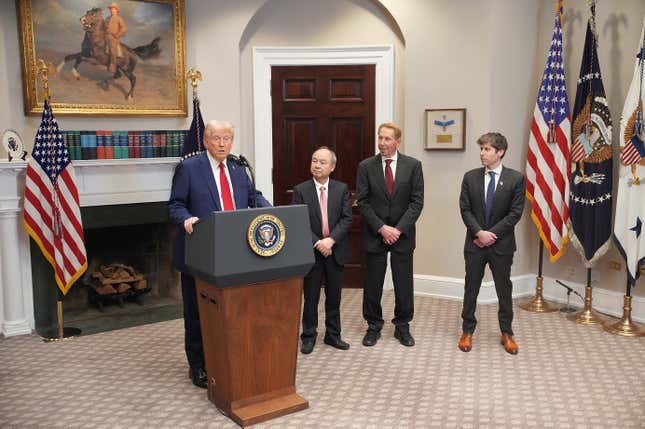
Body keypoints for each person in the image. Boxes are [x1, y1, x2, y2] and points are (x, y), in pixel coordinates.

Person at [168, 120, 271, 387]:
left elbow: (252, 196)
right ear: (205, 141)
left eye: (227, 138)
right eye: (216, 138)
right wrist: (186, 219)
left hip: (233, 252)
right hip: (199, 253)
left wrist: (269, 210)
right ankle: (198, 366)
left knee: (231, 309)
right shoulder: (189, 168)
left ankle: (228, 357)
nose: (222, 143)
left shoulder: (238, 168)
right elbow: (175, 205)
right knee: (197, 312)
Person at [356, 123, 424, 347]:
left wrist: (398, 229)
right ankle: (373, 326)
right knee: (373, 283)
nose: (382, 143)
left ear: (398, 141)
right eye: (380, 138)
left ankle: (402, 327)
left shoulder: (413, 166)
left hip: (402, 235)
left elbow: (417, 202)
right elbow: (363, 202)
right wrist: (382, 228)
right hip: (375, 234)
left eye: (387, 139)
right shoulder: (366, 166)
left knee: (403, 283)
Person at [458, 132, 525, 355]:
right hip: (475, 243)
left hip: (501, 245)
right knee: (471, 287)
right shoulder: (470, 177)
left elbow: (515, 213)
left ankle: (507, 332)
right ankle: (467, 330)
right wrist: (479, 232)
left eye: (487, 149)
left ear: (500, 152)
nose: (482, 154)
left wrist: (491, 234)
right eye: (481, 149)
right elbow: (465, 209)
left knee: (503, 289)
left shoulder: (515, 179)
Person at [292, 147, 352, 354]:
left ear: (332, 167)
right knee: (311, 297)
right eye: (314, 160)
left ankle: (333, 335)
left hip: (335, 251)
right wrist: (319, 242)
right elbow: (298, 222)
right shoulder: (301, 190)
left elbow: (347, 219)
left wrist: (331, 240)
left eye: (322, 162)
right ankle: (308, 336)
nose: (317, 165)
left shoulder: (342, 189)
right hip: (313, 252)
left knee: (334, 296)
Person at [106, 3, 127, 74]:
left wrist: (117, 35)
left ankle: (113, 67)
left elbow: (124, 28)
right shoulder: (107, 18)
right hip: (106, 36)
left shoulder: (119, 19)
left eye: (113, 9)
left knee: (112, 50)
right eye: (111, 9)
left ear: (116, 10)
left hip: (113, 38)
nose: (112, 10)